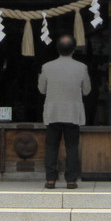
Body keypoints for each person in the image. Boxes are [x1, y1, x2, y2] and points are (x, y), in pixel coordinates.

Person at [38, 34, 91, 189]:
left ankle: (50, 180)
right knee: (72, 147)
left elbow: (41, 89)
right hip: (72, 112)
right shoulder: (81, 67)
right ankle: (71, 180)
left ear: (57, 49)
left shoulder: (47, 67)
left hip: (53, 112)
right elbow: (87, 90)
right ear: (74, 49)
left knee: (51, 146)